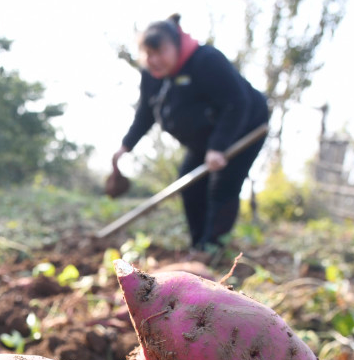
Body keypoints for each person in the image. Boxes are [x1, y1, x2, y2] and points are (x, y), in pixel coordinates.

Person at [112, 15, 269, 254]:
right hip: (204, 139)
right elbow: (146, 112)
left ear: (175, 46)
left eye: (160, 52)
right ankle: (198, 244)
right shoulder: (151, 76)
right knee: (189, 184)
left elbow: (237, 102)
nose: (154, 60)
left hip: (244, 127)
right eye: (148, 54)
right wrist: (126, 145)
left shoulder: (206, 61)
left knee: (222, 185)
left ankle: (212, 248)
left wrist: (218, 147)